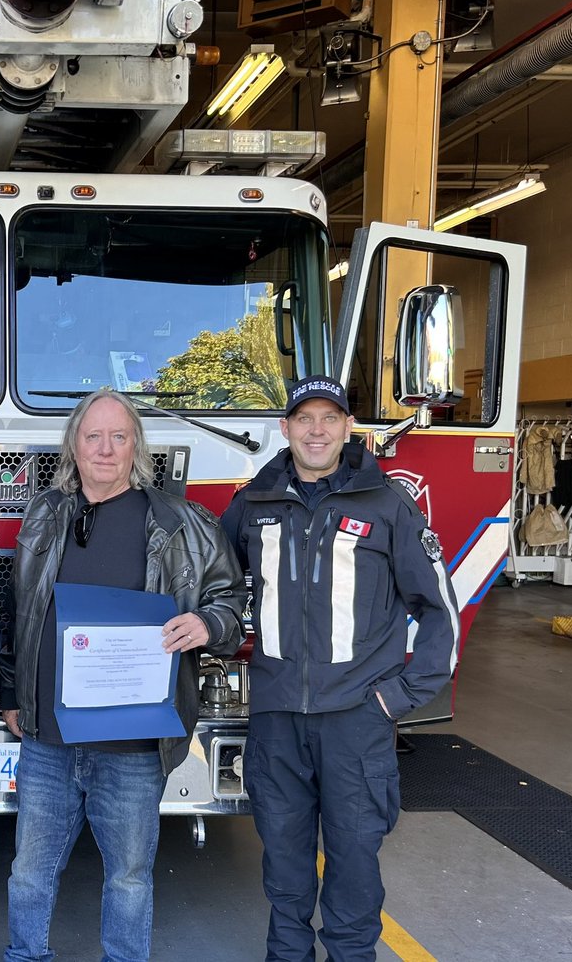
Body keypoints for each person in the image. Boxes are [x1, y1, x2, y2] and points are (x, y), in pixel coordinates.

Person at [0, 389, 247, 962]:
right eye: (93, 436)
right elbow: (19, 610)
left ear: (136, 445)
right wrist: (12, 691)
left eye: (118, 436)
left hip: (134, 745)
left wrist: (208, 623)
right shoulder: (43, 514)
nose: (105, 449)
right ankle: (24, 954)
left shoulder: (184, 523)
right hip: (49, 741)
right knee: (29, 873)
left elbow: (232, 602)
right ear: (74, 446)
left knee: (130, 879)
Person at [220, 375, 460, 962]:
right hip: (277, 719)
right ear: (285, 428)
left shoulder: (388, 504)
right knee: (283, 859)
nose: (318, 429)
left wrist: (401, 696)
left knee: (354, 862)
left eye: (331, 418)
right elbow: (215, 584)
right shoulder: (253, 502)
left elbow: (439, 611)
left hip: (358, 719)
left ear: (349, 428)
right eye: (305, 418)